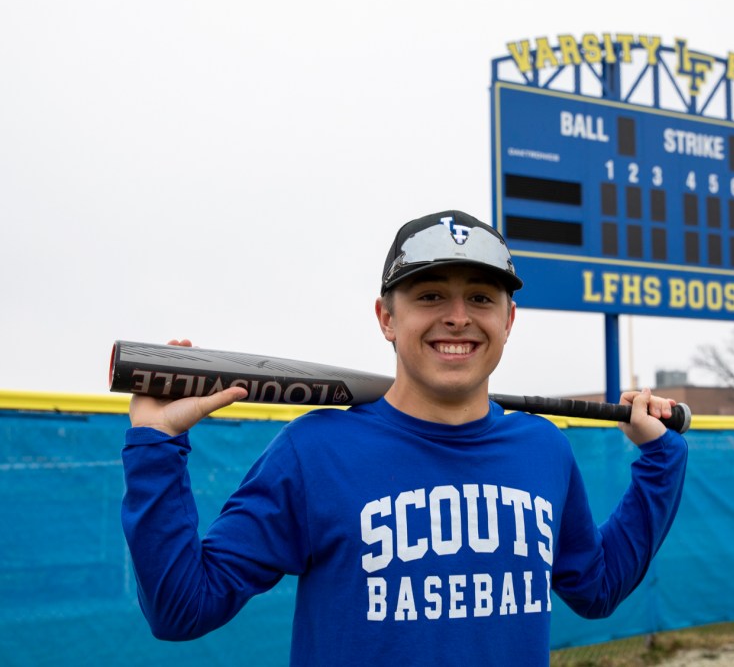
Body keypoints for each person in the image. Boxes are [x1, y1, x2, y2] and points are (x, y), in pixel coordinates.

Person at [121, 210, 688, 666]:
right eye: (430, 295)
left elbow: (597, 587)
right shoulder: (314, 452)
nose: (458, 317)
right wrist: (154, 445)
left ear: (509, 320)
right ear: (386, 319)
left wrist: (661, 459)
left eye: (482, 298)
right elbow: (181, 609)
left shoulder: (543, 449)